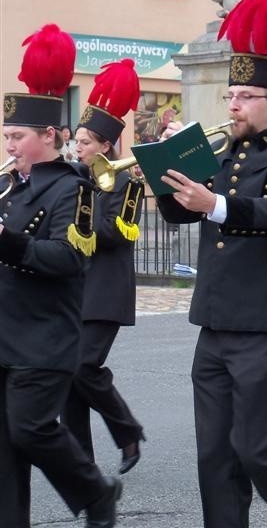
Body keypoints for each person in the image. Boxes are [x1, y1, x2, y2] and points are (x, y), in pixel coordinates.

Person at [156, 0, 267, 528]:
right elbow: (182, 214)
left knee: (260, 450)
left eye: (244, 97)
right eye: (230, 96)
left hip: (265, 319)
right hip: (216, 316)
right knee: (214, 456)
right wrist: (166, 171)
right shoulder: (225, 148)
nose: (232, 104)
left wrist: (218, 205)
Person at [0, 23, 121, 528]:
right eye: (5, 136)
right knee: (4, 451)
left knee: (29, 429)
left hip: (45, 335)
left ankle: (95, 491)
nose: (9, 145)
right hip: (5, 330)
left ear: (49, 136)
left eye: (18, 137)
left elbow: (68, 259)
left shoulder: (74, 190)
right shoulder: (8, 185)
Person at [62, 59, 146, 476]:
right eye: (75, 142)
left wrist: (77, 211)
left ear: (106, 147)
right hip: (72, 289)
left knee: (83, 367)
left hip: (106, 289)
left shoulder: (127, 181)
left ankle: (126, 429)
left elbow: (118, 231)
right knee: (67, 380)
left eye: (85, 143)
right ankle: (82, 465)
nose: (77, 149)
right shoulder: (74, 178)